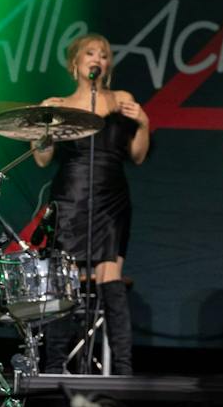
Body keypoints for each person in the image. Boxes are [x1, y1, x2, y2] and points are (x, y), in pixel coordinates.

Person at [31, 33, 150, 375]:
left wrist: (143, 122)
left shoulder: (121, 100)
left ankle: (123, 372)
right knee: (65, 281)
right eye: (91, 53)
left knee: (109, 275)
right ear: (75, 63)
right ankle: (54, 369)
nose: (98, 58)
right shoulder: (59, 104)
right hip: (70, 197)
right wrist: (43, 126)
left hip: (111, 199)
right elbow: (42, 160)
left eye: (104, 54)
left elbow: (138, 155)